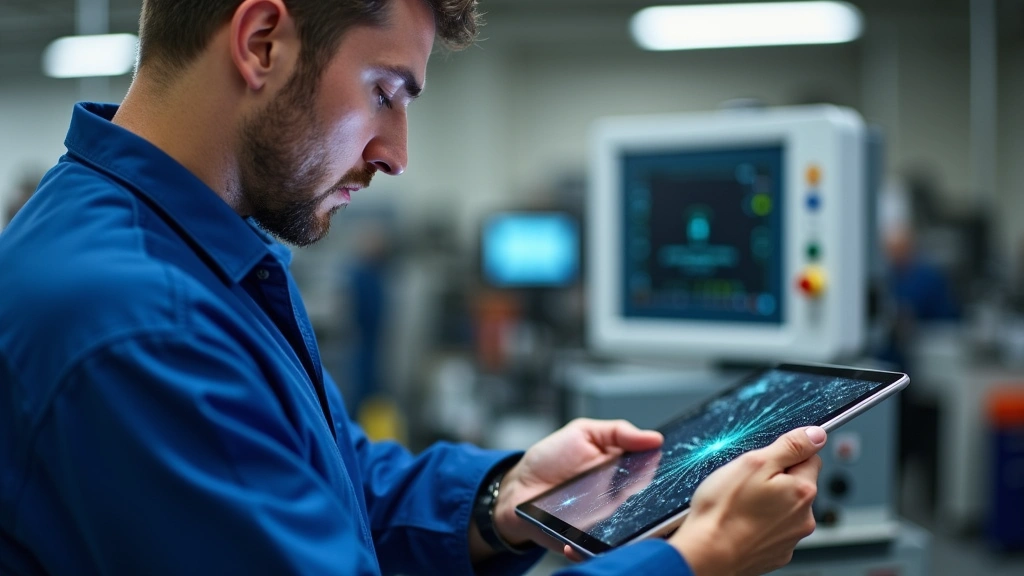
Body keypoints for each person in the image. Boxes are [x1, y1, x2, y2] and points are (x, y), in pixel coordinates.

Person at [0, 1, 825, 574]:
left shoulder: (181, 251)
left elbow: (320, 486)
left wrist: (503, 497)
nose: (397, 152)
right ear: (260, 43)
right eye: (384, 92)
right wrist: (692, 560)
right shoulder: (140, 324)